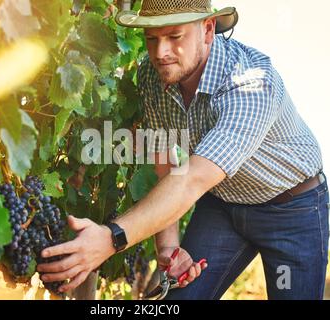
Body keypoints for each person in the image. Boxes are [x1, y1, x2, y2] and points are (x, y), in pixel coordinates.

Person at [37, 0, 329, 299]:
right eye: (151, 39)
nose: (160, 52)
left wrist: (112, 237)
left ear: (207, 29)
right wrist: (168, 248)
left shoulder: (252, 83)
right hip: (223, 205)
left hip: (292, 209)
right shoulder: (154, 77)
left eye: (174, 37)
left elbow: (193, 178)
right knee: (178, 298)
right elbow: (166, 162)